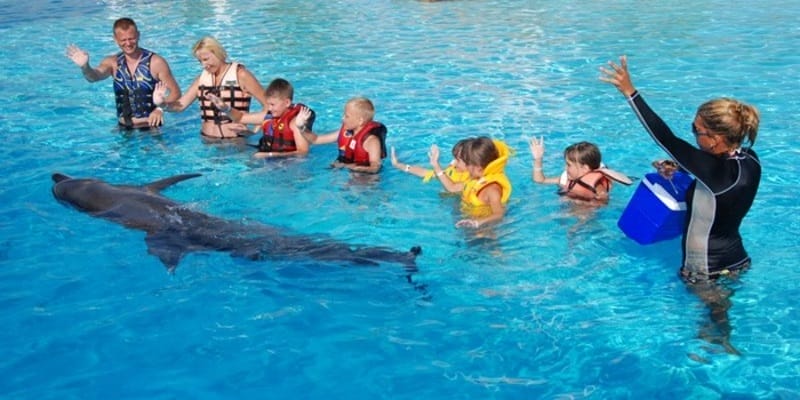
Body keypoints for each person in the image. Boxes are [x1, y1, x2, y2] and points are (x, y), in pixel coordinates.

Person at [600, 55, 761, 282]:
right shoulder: (751, 159)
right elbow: (719, 183)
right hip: (737, 258)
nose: (693, 134)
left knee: (713, 318)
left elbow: (665, 138)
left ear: (715, 139)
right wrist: (680, 168)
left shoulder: (711, 171)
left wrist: (630, 92)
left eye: (696, 130)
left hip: (706, 269)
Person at [65, 17, 181, 129]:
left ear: (138, 35)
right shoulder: (113, 62)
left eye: (131, 38)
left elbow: (176, 93)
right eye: (123, 40)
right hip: (124, 127)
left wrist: (160, 109)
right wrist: (85, 67)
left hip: (151, 127)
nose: (128, 43)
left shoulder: (156, 62)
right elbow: (93, 77)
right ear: (115, 39)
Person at [152, 36, 268, 139]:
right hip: (207, 141)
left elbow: (268, 106)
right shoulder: (201, 79)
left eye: (206, 59)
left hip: (235, 142)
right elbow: (180, 106)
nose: (203, 65)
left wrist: (255, 132)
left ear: (218, 53)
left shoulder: (241, 75)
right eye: (200, 61)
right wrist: (162, 104)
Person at [210, 78, 313, 158]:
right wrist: (225, 108)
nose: (269, 108)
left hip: (288, 162)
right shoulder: (270, 115)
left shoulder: (295, 122)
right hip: (269, 154)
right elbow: (241, 117)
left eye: (273, 104)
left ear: (287, 103)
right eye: (268, 104)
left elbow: (303, 152)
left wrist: (270, 155)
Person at [430, 137, 512, 228]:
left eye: (468, 164)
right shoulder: (475, 181)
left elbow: (499, 214)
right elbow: (452, 188)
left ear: (478, 167)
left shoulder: (492, 189)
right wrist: (436, 165)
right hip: (468, 224)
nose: (466, 168)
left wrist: (476, 223)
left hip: (484, 232)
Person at [296, 97, 387, 173]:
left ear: (360, 121)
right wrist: (301, 128)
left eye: (347, 116)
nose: (342, 118)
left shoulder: (371, 141)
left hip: (366, 177)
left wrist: (348, 166)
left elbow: (375, 168)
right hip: (347, 168)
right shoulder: (346, 132)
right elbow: (316, 140)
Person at [529, 137, 631, 204]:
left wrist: (580, 202)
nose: (565, 168)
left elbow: (603, 202)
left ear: (585, 168)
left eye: (569, 165)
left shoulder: (597, 185)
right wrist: (538, 159)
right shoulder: (566, 178)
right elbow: (540, 180)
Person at [390, 139, 471, 185]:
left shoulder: (471, 179)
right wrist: (399, 165)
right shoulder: (452, 170)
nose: (454, 162)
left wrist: (436, 165)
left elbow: (452, 188)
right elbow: (425, 173)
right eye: (454, 158)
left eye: (458, 160)